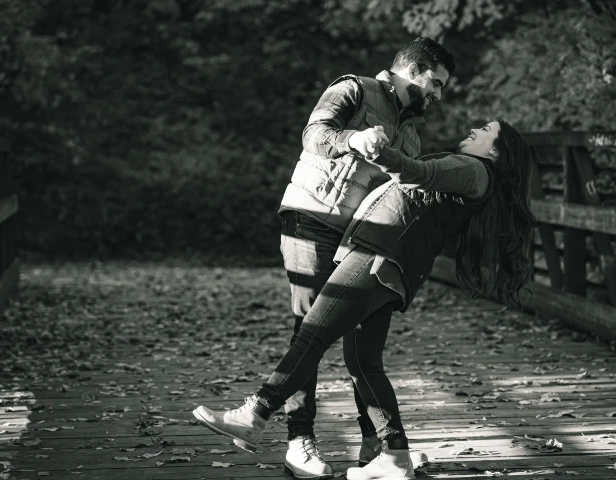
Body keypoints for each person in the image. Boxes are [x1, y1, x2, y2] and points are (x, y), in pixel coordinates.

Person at [194, 121, 536, 480]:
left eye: (484, 130)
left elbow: (417, 171)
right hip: (391, 267)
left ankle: (256, 413)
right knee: (363, 361)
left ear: (496, 151)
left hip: (378, 258)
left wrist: (376, 149)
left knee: (312, 334)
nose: (473, 130)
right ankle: (394, 456)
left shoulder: (472, 169)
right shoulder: (477, 177)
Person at [274, 36, 455, 479]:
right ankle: (299, 442)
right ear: (409, 70)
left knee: (363, 345)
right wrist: (355, 137)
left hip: (362, 243)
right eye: (434, 82)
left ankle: (375, 448)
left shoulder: (409, 129)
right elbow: (314, 135)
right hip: (312, 220)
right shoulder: (353, 88)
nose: (437, 94)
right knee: (311, 334)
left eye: (443, 87)